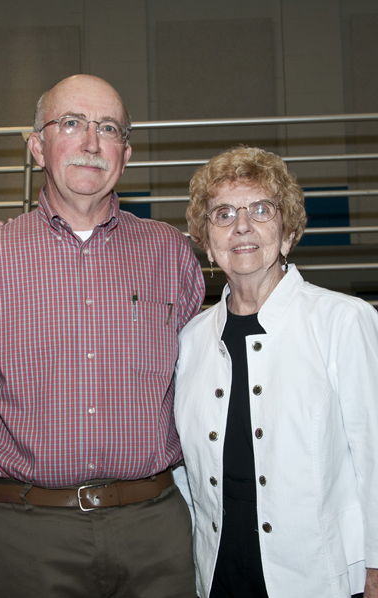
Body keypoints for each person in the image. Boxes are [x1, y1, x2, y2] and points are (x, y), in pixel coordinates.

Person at [0, 74, 205, 597]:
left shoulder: (171, 254)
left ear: (126, 154)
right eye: (72, 124)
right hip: (28, 536)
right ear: (37, 147)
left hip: (154, 530)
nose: (91, 143)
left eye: (108, 128)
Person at [174, 146, 378, 598]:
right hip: (218, 573)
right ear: (207, 241)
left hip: (319, 577)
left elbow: (374, 456)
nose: (241, 225)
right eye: (223, 213)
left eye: (260, 210)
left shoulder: (344, 320)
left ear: (286, 232)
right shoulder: (191, 338)